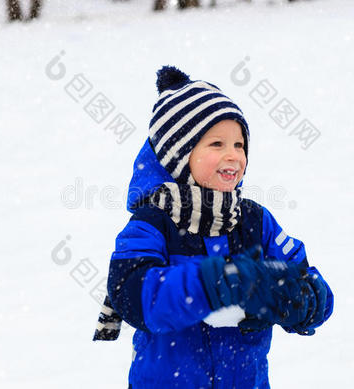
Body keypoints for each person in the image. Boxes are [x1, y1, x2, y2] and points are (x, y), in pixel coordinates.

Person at [93, 66, 334, 388]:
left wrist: (299, 299)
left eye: (239, 145)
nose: (233, 156)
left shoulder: (254, 220)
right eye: (217, 144)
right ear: (179, 156)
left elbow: (309, 279)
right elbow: (131, 294)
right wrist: (211, 283)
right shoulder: (152, 222)